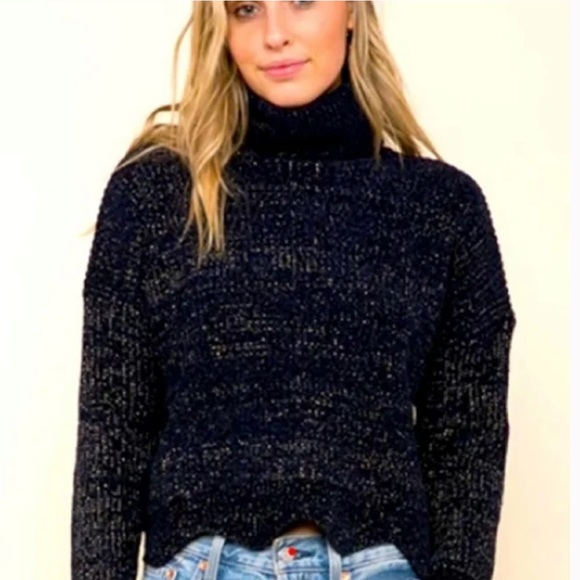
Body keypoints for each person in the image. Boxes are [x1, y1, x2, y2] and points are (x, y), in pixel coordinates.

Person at [71, 1, 516, 579]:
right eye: (246, 9)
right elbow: (112, 431)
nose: (275, 34)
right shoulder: (155, 194)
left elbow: (467, 440)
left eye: (301, 0)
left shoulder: (441, 209)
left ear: (352, 11)